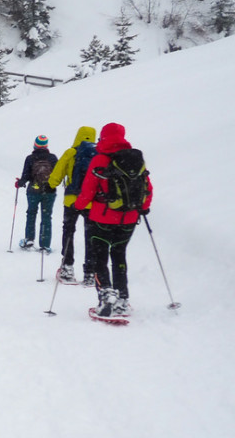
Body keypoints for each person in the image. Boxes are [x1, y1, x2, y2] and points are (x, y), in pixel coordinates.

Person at [75, 122, 153, 317]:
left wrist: (79, 205)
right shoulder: (135, 159)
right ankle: (122, 299)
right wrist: (142, 208)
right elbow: (147, 188)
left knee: (99, 257)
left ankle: (106, 295)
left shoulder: (100, 159)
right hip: (128, 219)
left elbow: (89, 189)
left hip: (102, 217)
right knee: (119, 255)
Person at [48, 126, 96, 284]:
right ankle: (90, 272)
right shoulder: (98, 155)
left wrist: (51, 184)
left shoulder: (71, 152)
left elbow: (57, 173)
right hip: (91, 202)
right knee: (91, 236)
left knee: (68, 231)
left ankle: (67, 268)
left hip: (71, 200)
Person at [14, 135, 59, 252]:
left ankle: (29, 239)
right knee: (46, 217)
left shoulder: (30, 158)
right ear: (46, 146)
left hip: (33, 191)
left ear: (35, 145)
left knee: (31, 213)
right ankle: (45, 245)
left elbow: (26, 176)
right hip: (49, 192)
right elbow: (57, 175)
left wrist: (19, 183)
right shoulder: (53, 158)